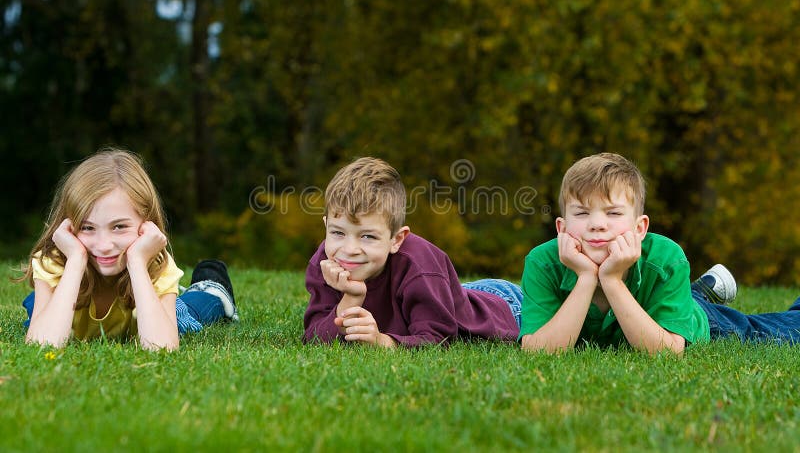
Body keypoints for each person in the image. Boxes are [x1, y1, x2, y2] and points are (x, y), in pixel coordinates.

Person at [519, 152, 800, 355]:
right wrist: (586, 278)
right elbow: (539, 352)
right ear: (562, 227)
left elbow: (666, 352)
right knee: (677, 296)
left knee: (764, 332)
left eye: (613, 213)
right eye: (581, 213)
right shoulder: (543, 263)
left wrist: (613, 280)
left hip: (687, 322)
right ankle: (700, 290)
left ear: (640, 228)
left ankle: (698, 297)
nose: (597, 224)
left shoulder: (665, 258)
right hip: (655, 300)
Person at [20, 148, 238, 351]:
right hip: (71, 296)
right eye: (87, 227)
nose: (104, 246)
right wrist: (76, 260)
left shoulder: (152, 263)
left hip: (151, 312)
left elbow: (161, 347)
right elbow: (42, 344)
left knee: (188, 313)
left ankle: (211, 285)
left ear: (147, 224)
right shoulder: (56, 261)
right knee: (37, 306)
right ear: (69, 227)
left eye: (119, 226)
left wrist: (136, 261)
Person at [303, 157, 520, 347]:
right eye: (338, 233)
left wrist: (383, 341)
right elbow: (314, 339)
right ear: (326, 226)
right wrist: (351, 298)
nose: (349, 250)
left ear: (396, 239)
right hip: (444, 292)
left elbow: (439, 338)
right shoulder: (325, 261)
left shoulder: (418, 266)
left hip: (506, 304)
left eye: (368, 236)